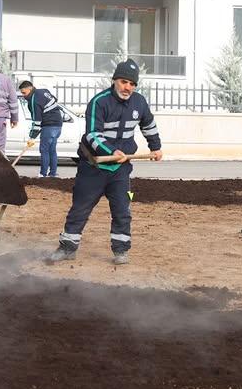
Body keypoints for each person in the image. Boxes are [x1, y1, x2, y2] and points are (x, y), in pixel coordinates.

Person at [49, 59, 162, 265]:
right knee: (80, 208)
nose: (127, 87)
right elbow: (92, 135)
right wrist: (111, 150)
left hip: (121, 169)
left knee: (122, 210)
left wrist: (155, 147)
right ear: (115, 80)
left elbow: (149, 125)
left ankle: (121, 251)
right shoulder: (99, 102)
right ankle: (67, 248)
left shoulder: (140, 102)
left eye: (132, 84)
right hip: (93, 167)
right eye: (124, 82)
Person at [18, 81, 63, 178]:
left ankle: (43, 174)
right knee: (52, 150)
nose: (23, 95)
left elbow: (37, 122)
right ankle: (53, 174)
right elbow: (55, 99)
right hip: (58, 124)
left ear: (30, 89)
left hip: (49, 126)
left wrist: (32, 137)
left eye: (24, 93)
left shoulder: (34, 100)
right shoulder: (43, 91)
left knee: (44, 150)